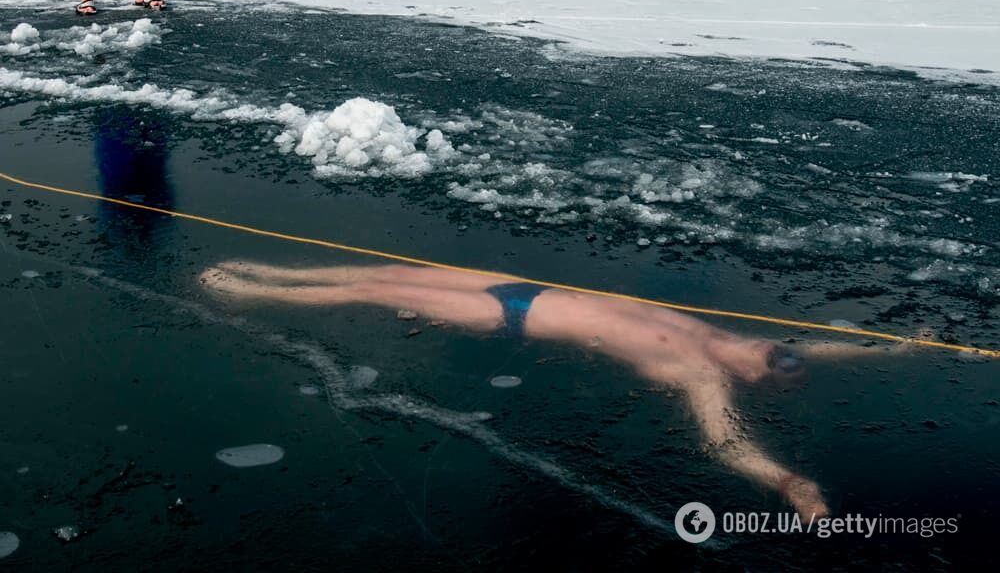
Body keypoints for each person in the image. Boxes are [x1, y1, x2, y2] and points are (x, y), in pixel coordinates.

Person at [200, 259, 899, 521]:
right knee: (385, 268)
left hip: (512, 316)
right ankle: (272, 272)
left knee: (378, 292)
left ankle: (255, 294)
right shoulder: (737, 342)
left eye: (776, 364)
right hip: (522, 285)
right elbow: (821, 348)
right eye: (781, 351)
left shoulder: (703, 373)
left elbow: (722, 440)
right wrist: (892, 346)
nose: (774, 352)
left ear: (753, 380)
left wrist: (787, 484)